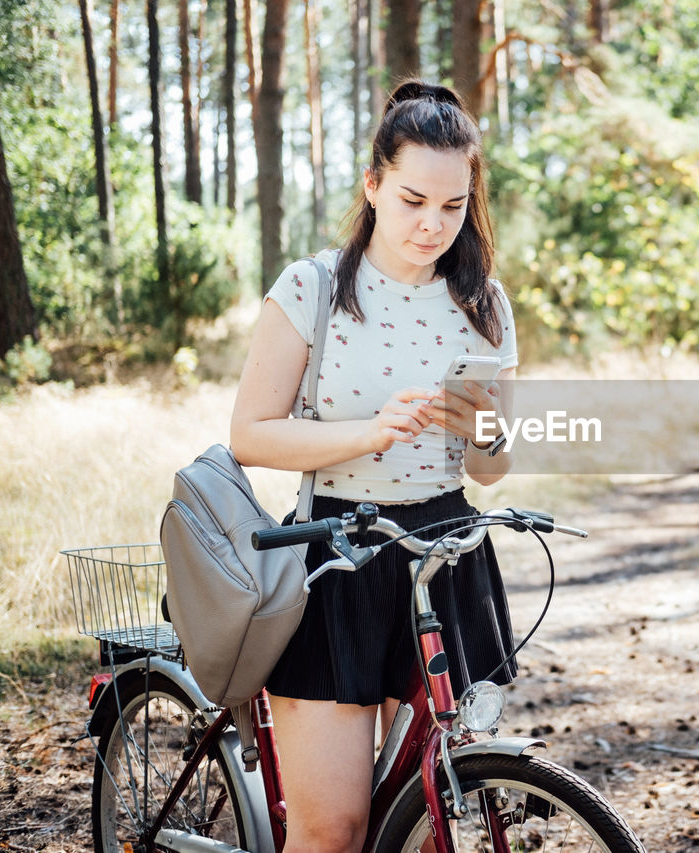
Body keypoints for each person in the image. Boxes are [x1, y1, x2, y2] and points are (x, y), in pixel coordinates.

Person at [230, 79, 517, 852]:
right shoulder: (314, 287)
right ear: (373, 184)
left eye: (453, 207)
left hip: (447, 553)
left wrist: (485, 428)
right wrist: (366, 433)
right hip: (338, 550)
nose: (432, 225)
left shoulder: (484, 301)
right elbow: (251, 434)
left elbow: (491, 469)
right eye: (413, 199)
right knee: (335, 829)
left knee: (430, 821)